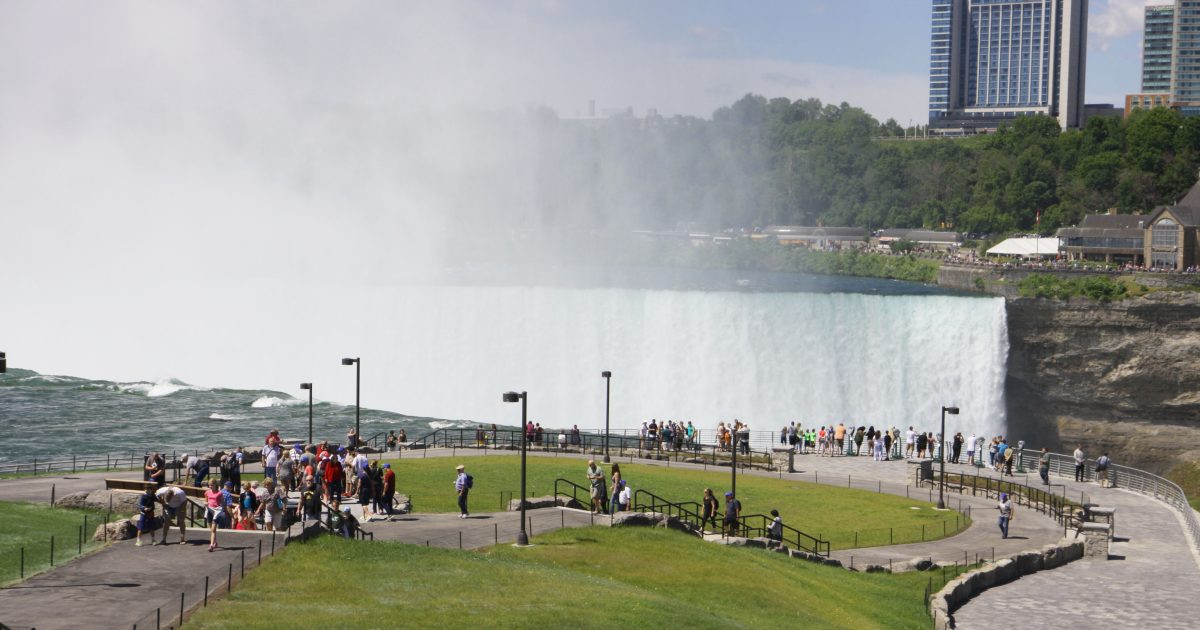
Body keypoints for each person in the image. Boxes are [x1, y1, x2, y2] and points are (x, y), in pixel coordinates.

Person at [203, 479, 225, 552]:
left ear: (215, 485)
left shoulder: (219, 493)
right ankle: (215, 542)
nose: (210, 486)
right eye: (209, 485)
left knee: (213, 529)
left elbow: (222, 502)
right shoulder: (207, 492)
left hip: (216, 511)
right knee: (211, 529)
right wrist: (205, 503)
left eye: (212, 485)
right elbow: (206, 500)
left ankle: (211, 545)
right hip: (209, 510)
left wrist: (221, 509)